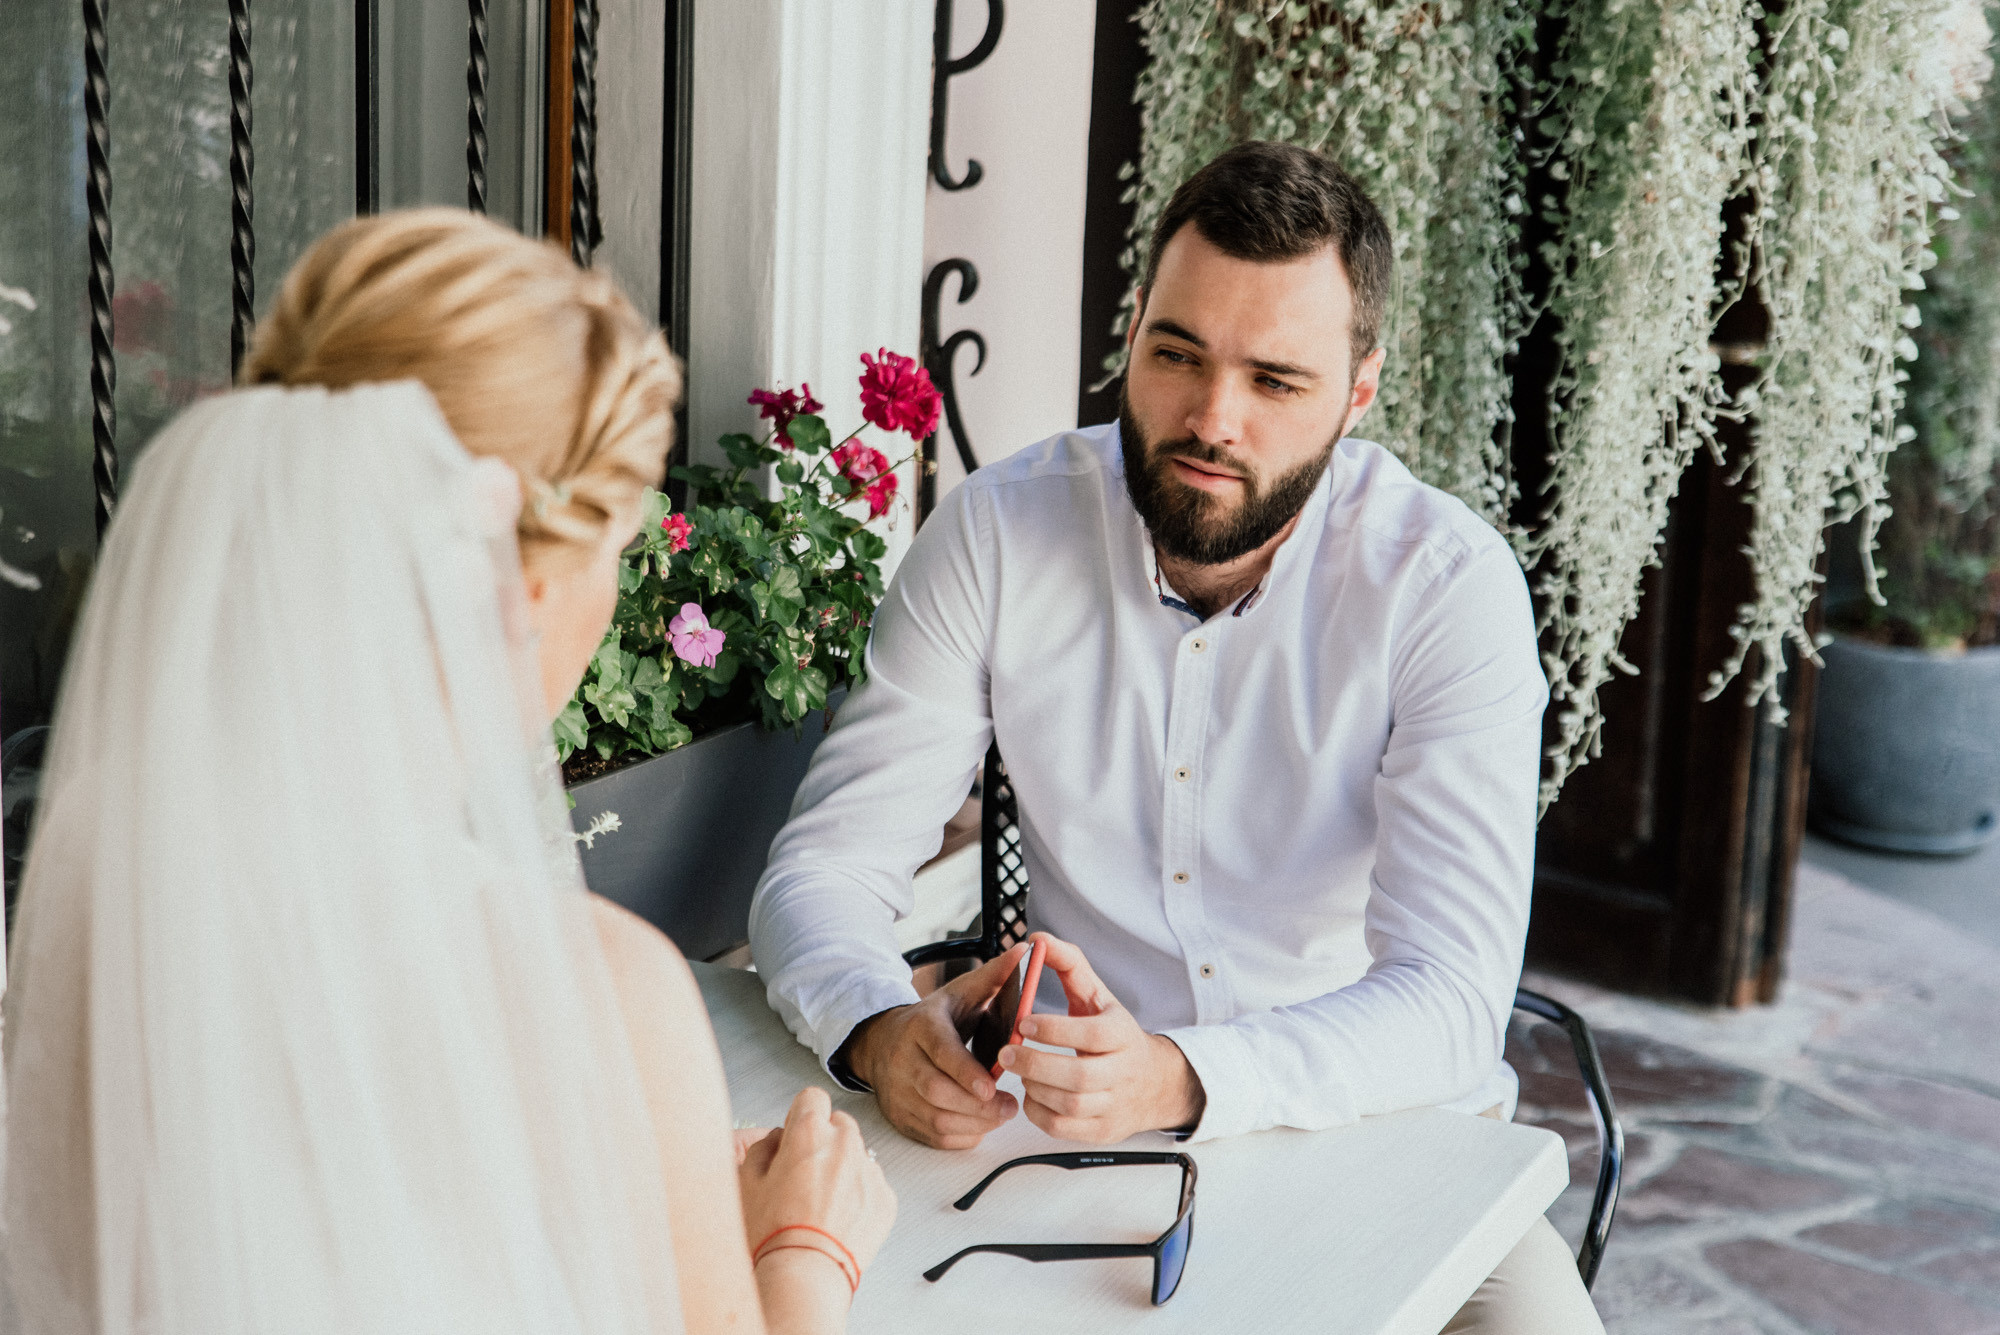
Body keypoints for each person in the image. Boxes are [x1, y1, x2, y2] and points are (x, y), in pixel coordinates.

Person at [747, 142, 1603, 1333]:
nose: (1211, 419)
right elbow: (825, 869)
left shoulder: (1442, 589)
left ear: (1358, 393)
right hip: (1063, 1150)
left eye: (1275, 382)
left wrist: (1188, 1073)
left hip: (1384, 1141)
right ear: (1132, 330)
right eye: (1176, 355)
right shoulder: (997, 533)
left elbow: (1450, 997)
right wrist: (879, 1031)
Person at [0, 209, 893, 1335]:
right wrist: (806, 1249)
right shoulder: (598, 998)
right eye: (617, 550)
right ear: (524, 589)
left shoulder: (94, 852)